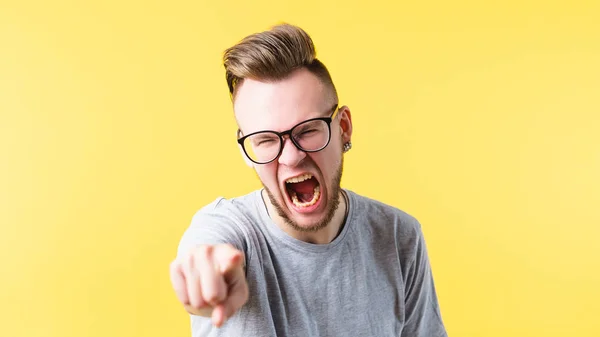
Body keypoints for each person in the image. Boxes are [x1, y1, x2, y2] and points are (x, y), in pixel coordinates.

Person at [169, 23, 447, 337]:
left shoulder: (399, 238)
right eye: (265, 140)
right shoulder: (230, 232)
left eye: (308, 130)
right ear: (246, 150)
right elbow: (207, 245)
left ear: (343, 128)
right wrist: (206, 270)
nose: (290, 157)